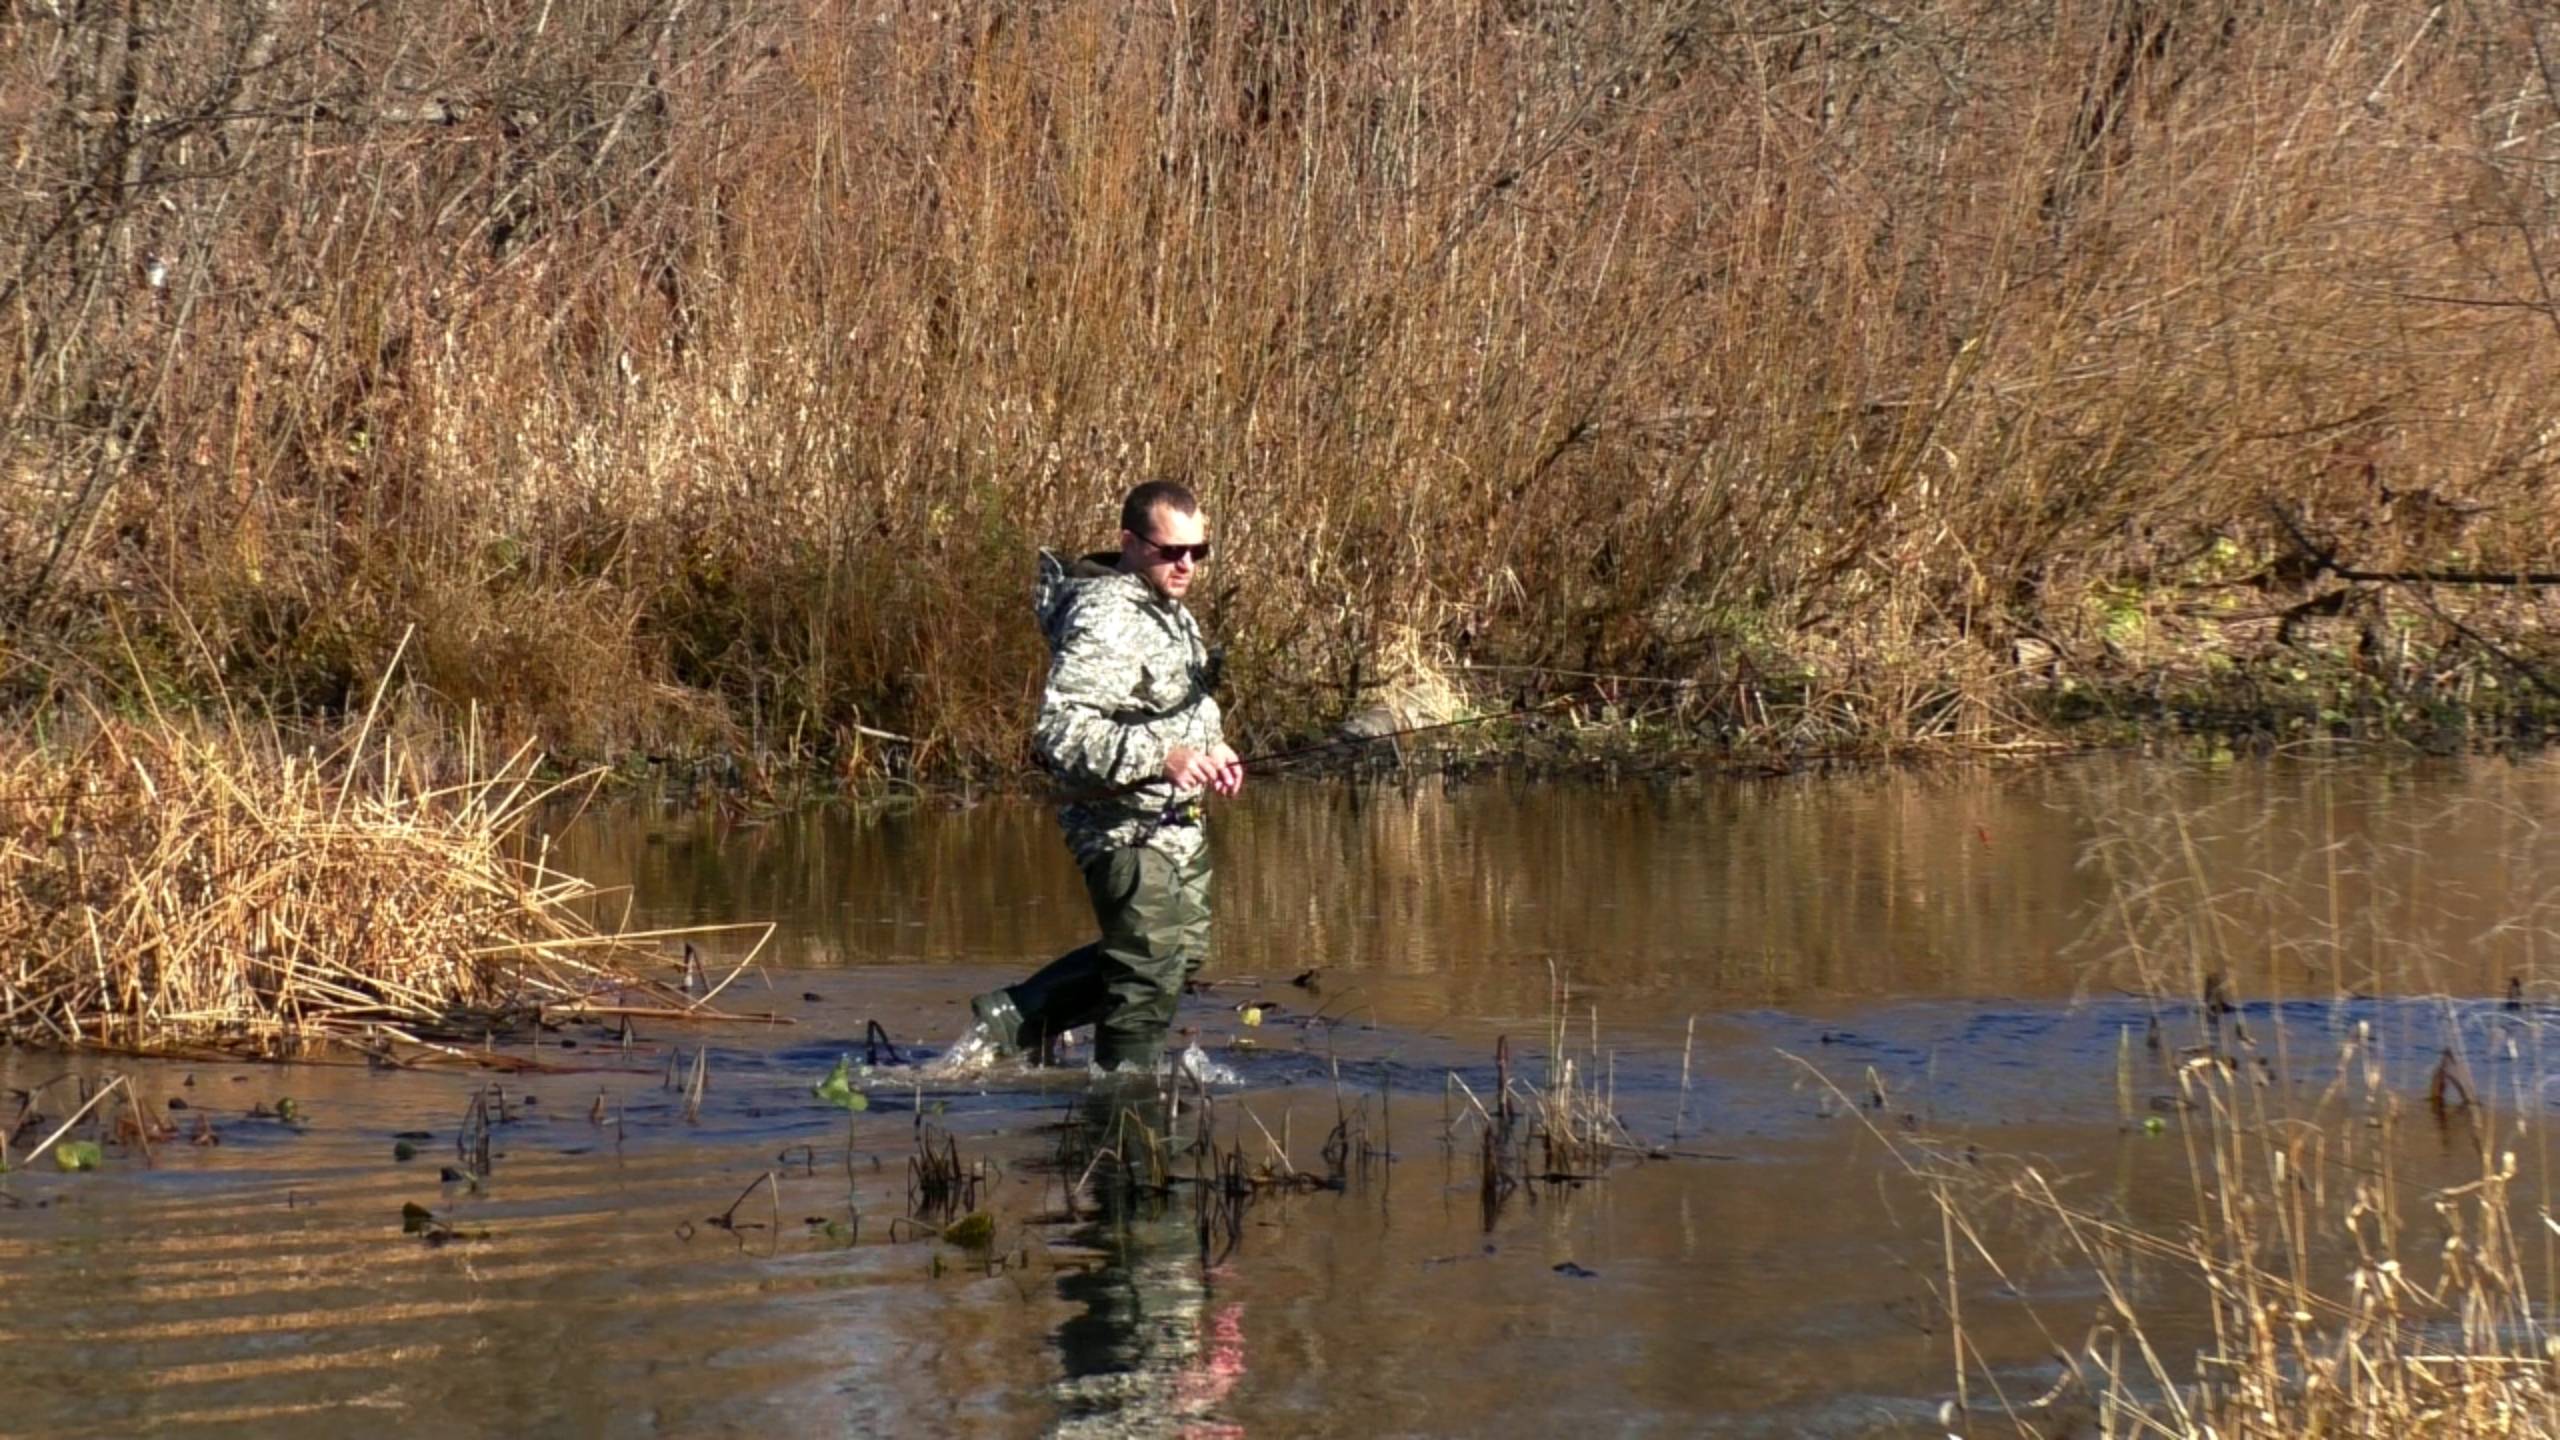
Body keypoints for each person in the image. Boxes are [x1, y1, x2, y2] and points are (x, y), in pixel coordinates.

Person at [970, 479, 1244, 1072]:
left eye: (1199, 551)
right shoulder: (1103, 615)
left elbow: (1174, 704)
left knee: (1180, 955)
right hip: (1122, 826)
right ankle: (1126, 1103)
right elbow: (1059, 729)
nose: (1188, 565)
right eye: (1172, 551)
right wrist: (1162, 756)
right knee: (1146, 969)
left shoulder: (1170, 609)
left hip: (1176, 821)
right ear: (1129, 541)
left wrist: (1213, 749)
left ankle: (1013, 1019)